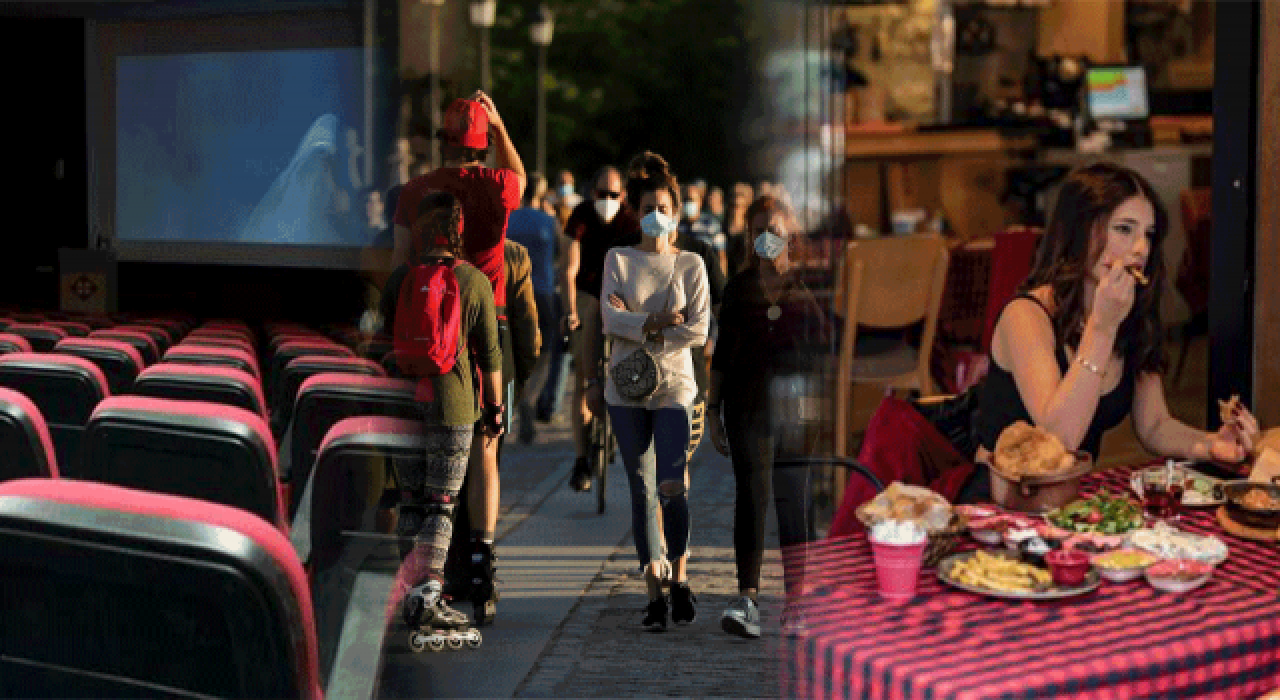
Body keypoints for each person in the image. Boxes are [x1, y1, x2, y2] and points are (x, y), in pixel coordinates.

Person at [963, 162, 1260, 501]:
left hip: (1071, 499)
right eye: (1124, 229)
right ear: (1080, 231)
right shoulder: (1027, 315)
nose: (1141, 249)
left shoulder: (1129, 314)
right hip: (1002, 502)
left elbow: (1154, 425)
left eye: (1148, 234)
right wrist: (1101, 329)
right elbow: (1059, 439)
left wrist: (1212, 444)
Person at [392, 90, 526, 625]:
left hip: (425, 335)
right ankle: (483, 556)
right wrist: (502, 128)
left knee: (427, 459)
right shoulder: (497, 184)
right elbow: (520, 174)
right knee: (486, 450)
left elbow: (400, 263)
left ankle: (426, 571)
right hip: (486, 324)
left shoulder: (415, 191)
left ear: (444, 141)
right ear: (483, 143)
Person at [379, 191, 504, 645]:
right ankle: (430, 595)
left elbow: (378, 341)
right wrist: (494, 410)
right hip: (453, 406)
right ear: (457, 230)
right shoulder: (473, 281)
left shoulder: (400, 279)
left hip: (402, 403)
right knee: (442, 504)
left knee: (410, 500)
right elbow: (489, 353)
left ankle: (410, 590)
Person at [706, 195, 830, 639]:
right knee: (752, 499)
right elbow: (721, 355)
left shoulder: (805, 289)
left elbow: (822, 354)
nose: (767, 241)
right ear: (749, 239)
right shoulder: (738, 290)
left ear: (789, 238)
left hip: (796, 413)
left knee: (794, 504)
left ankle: (797, 603)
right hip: (746, 407)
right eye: (759, 233)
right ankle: (747, 598)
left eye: (774, 233)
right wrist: (713, 410)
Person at [602, 151, 710, 631]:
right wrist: (661, 320)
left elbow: (700, 331)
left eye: (665, 206)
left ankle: (681, 576)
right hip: (625, 389)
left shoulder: (691, 264)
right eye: (648, 206)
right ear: (634, 209)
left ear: (677, 212)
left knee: (671, 483)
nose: (656, 215)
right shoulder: (618, 260)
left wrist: (640, 327)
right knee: (641, 489)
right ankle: (653, 593)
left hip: (674, 387)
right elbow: (609, 319)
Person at [561, 165, 642, 491]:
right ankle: (581, 459)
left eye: (613, 194)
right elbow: (568, 269)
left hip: (619, 293)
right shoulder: (580, 215)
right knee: (583, 373)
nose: (607, 200)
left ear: (622, 196)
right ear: (591, 192)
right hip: (587, 292)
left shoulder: (629, 220)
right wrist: (570, 313)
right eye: (601, 194)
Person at [506, 173, 560, 443]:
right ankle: (531, 396)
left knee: (515, 352)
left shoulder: (509, 220)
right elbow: (563, 252)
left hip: (512, 292)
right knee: (546, 353)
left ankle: (519, 399)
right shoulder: (549, 222)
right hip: (543, 292)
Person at [724, 182, 754, 275]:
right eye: (733, 205)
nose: (735, 210)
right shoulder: (720, 228)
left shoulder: (752, 230)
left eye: (739, 207)